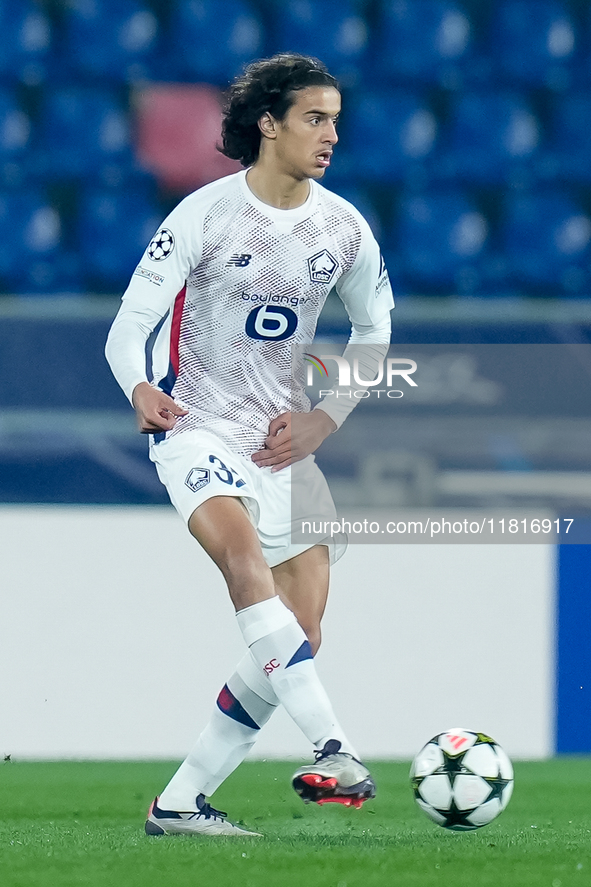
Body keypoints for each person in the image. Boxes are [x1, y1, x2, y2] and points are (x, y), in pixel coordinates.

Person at [105, 53, 394, 837]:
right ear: (267, 124)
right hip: (193, 423)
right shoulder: (204, 214)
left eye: (335, 118)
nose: (331, 133)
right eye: (314, 117)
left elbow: (374, 330)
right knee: (242, 562)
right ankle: (336, 748)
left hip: (283, 443)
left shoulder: (341, 227)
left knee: (300, 632)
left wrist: (327, 415)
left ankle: (179, 802)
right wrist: (139, 385)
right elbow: (128, 327)